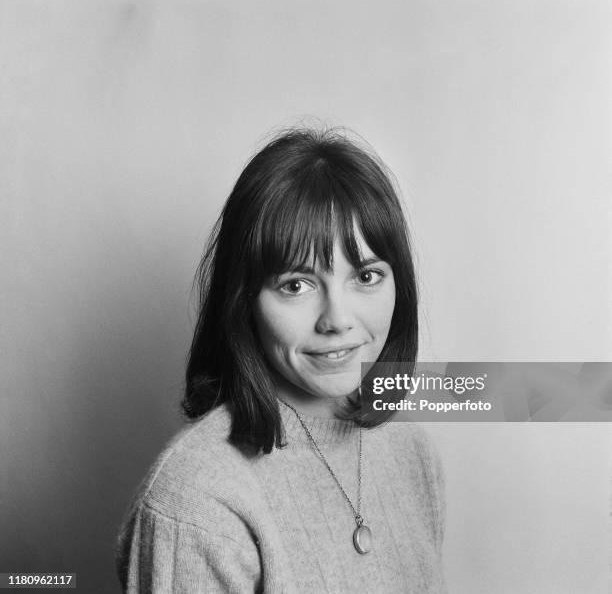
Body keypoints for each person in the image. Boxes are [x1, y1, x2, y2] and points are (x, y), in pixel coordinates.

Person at [116, 127, 446, 593]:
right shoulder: (195, 502)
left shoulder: (410, 449)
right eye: (296, 284)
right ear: (243, 299)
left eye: (367, 276)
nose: (337, 319)